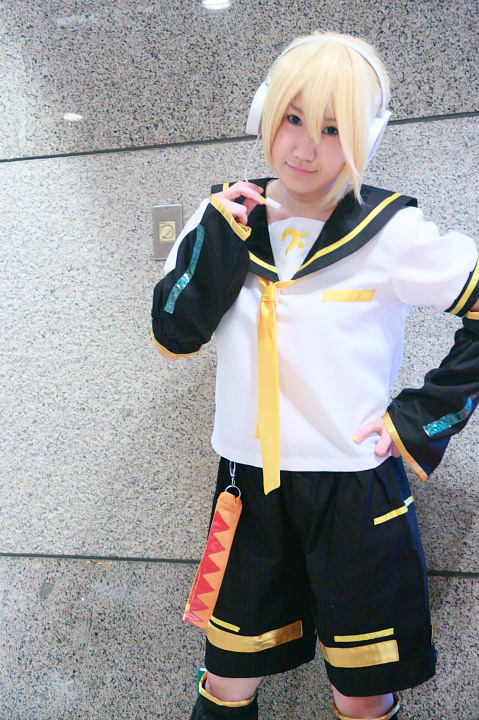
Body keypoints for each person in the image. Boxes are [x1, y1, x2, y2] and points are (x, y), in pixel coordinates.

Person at [151, 32, 479, 720]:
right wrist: (216, 241)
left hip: (353, 492)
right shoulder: (224, 217)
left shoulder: (391, 230)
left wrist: (419, 419)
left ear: (367, 135)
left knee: (360, 693)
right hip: (245, 488)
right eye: (293, 119)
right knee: (226, 677)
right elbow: (174, 334)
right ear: (265, 113)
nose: (304, 147)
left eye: (333, 129)